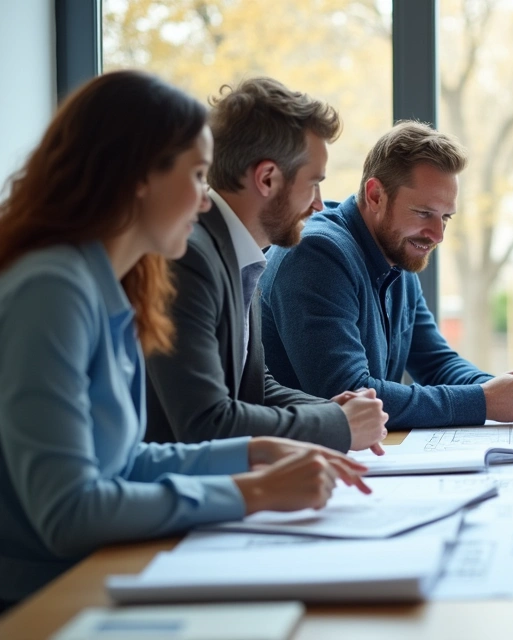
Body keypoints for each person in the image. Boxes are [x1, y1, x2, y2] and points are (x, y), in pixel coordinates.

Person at [0, 70, 368, 609]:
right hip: (47, 597)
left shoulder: (109, 283)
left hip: (98, 570)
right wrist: (255, 490)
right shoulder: (53, 288)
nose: (203, 202)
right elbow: (70, 512)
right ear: (140, 177)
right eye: (197, 176)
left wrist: (255, 451)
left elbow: (125, 462)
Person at [260, 121, 513, 429]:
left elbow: (436, 363)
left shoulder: (396, 252)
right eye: (424, 213)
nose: (437, 234)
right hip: (293, 460)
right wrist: (485, 400)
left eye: (446, 217)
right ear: (376, 195)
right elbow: (350, 393)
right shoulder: (318, 252)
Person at [143, 77, 388, 454]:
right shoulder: (189, 258)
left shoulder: (238, 252)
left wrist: (331, 410)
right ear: (268, 178)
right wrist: (335, 424)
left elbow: (253, 386)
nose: (319, 204)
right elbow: (206, 422)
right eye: (313, 183)